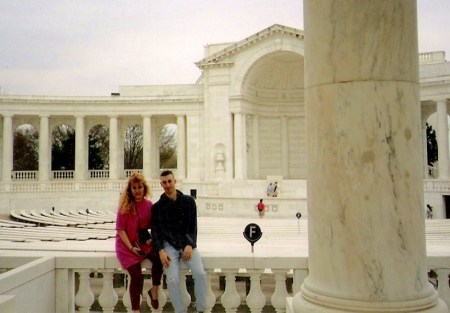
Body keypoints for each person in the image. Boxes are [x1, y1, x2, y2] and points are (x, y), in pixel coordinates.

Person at [152, 170, 207, 313]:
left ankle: (200, 309)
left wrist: (190, 244)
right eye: (164, 182)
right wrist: (160, 251)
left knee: (200, 274)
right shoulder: (157, 207)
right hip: (169, 246)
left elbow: (193, 226)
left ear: (175, 181)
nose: (167, 185)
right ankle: (180, 311)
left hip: (186, 244)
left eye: (170, 181)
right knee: (172, 280)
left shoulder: (189, 202)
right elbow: (156, 232)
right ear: (161, 184)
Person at [115, 172, 163, 313]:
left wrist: (153, 237)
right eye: (134, 188)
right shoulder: (124, 206)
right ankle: (136, 309)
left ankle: (153, 290)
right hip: (126, 246)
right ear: (130, 190)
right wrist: (131, 248)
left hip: (142, 243)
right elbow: (120, 230)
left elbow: (154, 225)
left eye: (139, 187)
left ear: (144, 188)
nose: (137, 191)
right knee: (136, 276)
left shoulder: (148, 205)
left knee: (159, 258)